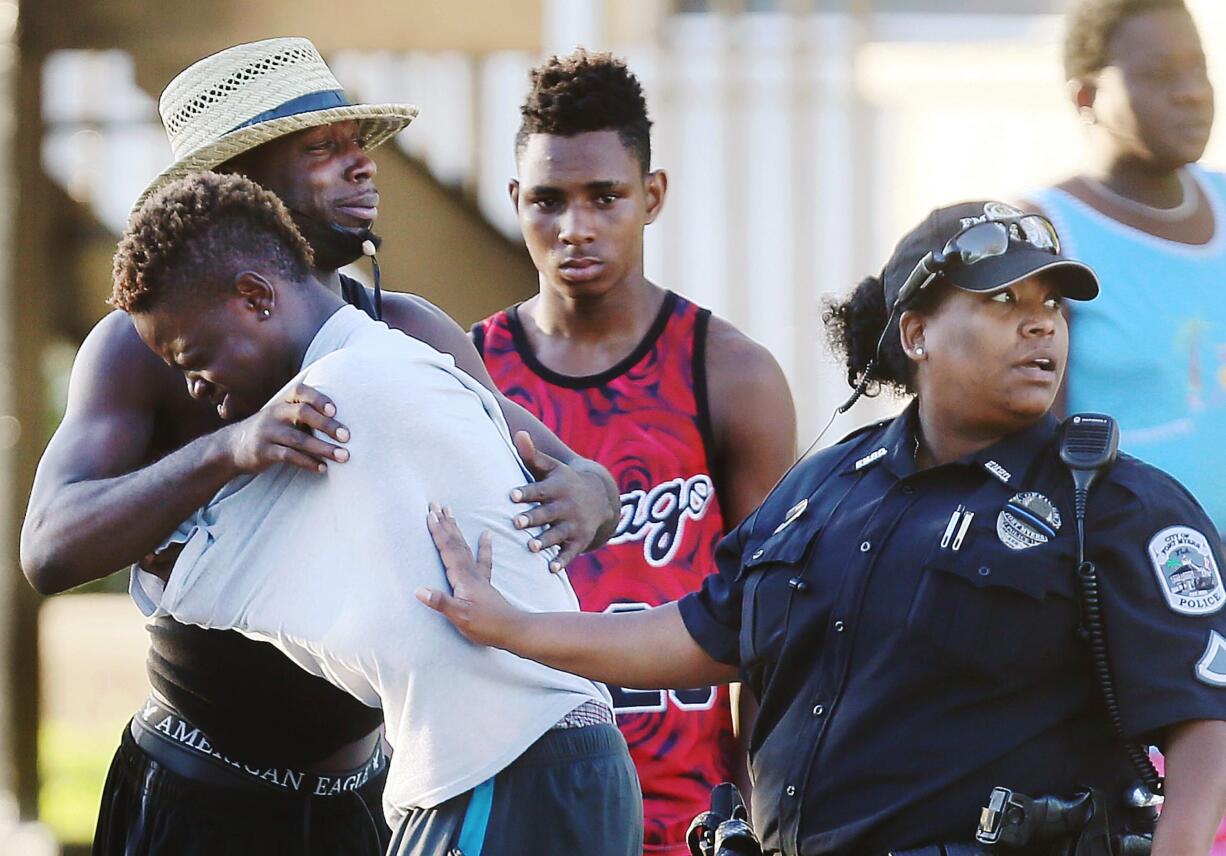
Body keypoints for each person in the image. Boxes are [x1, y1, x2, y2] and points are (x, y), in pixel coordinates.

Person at [421, 201, 1226, 855]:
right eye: (1002, 301)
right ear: (915, 334)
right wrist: (513, 626)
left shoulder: (1115, 504)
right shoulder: (829, 485)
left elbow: (1205, 718)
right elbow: (709, 631)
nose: (1042, 325)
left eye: (1052, 303)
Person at [19, 38, 618, 855]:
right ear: (237, 190)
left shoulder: (404, 332)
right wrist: (231, 449)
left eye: (357, 146)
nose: (363, 167)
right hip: (199, 793)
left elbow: (564, 474)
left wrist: (594, 492)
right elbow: (50, 546)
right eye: (322, 150)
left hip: (366, 798)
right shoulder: (147, 349)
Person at [111, 170, 642, 856]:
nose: (194, 386)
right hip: (542, 766)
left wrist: (177, 561)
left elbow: (194, 569)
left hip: (500, 770)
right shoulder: (396, 363)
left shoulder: (337, 393)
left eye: (196, 357)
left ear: (254, 296)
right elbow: (360, 628)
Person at [471, 49, 797, 852]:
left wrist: (769, 814)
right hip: (514, 798)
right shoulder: (469, 374)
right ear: (516, 202)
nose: (575, 227)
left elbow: (775, 628)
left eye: (603, 197)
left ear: (651, 196)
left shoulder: (729, 372)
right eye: (548, 200)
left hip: (690, 815)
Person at [1025, 0, 1226, 535]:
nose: (1192, 91)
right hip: (1126, 584)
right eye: (1159, 74)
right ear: (1087, 97)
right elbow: (1030, 453)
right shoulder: (1047, 235)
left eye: (1199, 67)